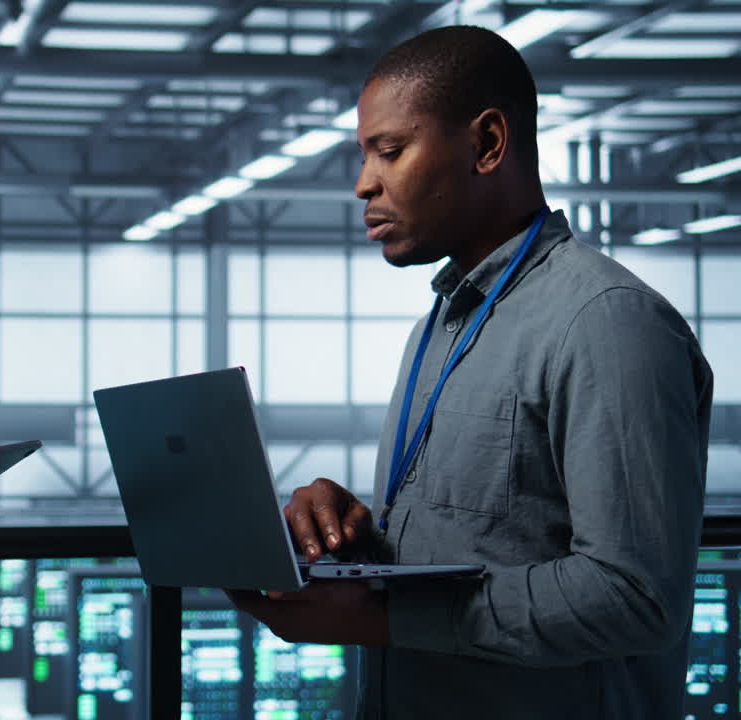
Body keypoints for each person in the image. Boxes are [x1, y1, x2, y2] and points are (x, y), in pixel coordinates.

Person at [228, 26, 713, 719]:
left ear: (487, 144)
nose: (363, 183)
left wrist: (383, 618)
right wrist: (356, 537)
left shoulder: (605, 322)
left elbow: (635, 598)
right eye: (364, 155)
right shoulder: (439, 327)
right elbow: (485, 542)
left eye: (390, 151)